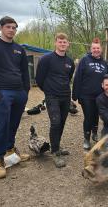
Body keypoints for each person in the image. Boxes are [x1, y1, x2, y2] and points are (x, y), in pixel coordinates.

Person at [0, 16, 30, 178]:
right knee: (3, 124)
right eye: (8, 27)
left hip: (19, 93)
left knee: (14, 123)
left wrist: (26, 91)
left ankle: (10, 148)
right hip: (2, 92)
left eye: (14, 27)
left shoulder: (19, 49)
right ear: (1, 28)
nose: (11, 30)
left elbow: (24, 72)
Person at [35, 33, 75, 168]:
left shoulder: (70, 62)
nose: (62, 44)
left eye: (65, 42)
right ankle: (55, 152)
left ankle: (56, 146)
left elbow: (68, 77)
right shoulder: (47, 59)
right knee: (55, 122)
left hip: (65, 96)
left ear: (68, 44)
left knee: (62, 122)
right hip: (52, 96)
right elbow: (39, 79)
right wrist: (48, 91)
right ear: (55, 43)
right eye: (60, 42)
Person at [72, 38, 108, 150]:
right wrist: (75, 95)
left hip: (100, 96)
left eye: (98, 48)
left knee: (97, 115)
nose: (96, 50)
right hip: (86, 95)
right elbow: (77, 77)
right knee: (88, 116)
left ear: (101, 49)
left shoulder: (104, 63)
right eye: (94, 48)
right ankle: (86, 138)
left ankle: (95, 133)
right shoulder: (84, 60)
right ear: (91, 49)